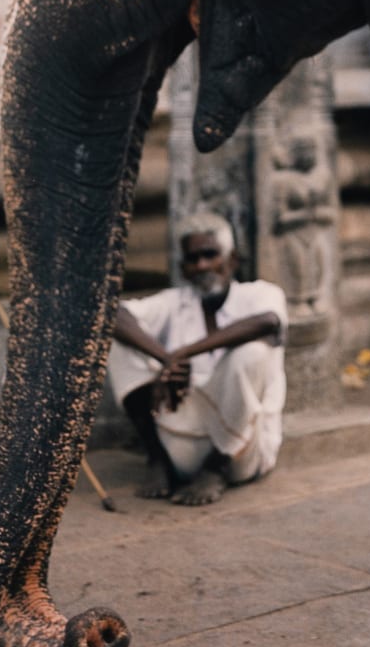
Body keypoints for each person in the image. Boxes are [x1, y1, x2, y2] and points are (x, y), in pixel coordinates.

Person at [107, 212, 287, 505]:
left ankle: (216, 468)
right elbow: (111, 313)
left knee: (253, 352)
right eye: (193, 259)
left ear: (232, 260)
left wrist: (183, 354)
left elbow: (267, 322)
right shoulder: (174, 302)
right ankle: (156, 459)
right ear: (183, 268)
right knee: (117, 343)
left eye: (210, 255)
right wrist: (165, 359)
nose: (202, 265)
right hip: (182, 442)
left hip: (240, 451)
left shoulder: (260, 294)